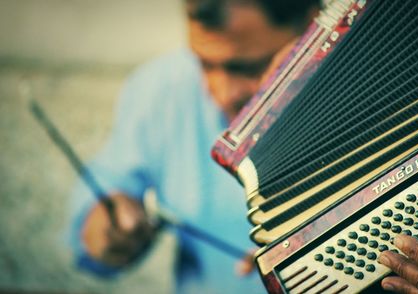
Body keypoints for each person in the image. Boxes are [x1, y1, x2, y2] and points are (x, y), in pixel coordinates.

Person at [69, 0, 321, 293]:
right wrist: (110, 228)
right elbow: (103, 200)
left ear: (314, 25)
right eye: (204, 63)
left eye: (248, 69)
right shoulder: (160, 89)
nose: (222, 94)